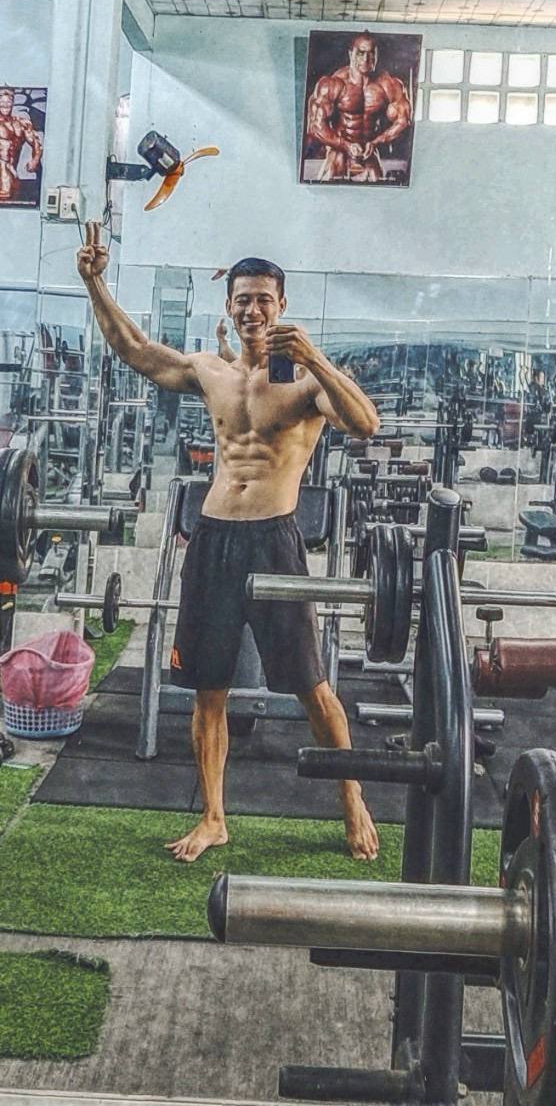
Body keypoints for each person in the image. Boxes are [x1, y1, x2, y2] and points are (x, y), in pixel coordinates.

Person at [77, 224, 381, 863]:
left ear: (282, 305)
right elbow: (135, 349)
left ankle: (352, 799)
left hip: (275, 540)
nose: (253, 310)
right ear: (229, 305)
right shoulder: (210, 370)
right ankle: (214, 817)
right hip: (213, 537)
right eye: (243, 299)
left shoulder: (306, 382)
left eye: (264, 299)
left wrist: (315, 357)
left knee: (311, 685)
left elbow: (365, 424)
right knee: (207, 687)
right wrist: (95, 281)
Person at [306, 31, 412, 182]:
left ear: (377, 55)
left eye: (371, 53)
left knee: (378, 186)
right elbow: (315, 126)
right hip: (339, 149)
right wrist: (345, 145)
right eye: (361, 53)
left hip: (369, 149)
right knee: (332, 174)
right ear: (351, 54)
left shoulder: (389, 85)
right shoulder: (333, 84)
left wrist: (377, 142)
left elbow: (404, 121)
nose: (366, 59)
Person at [0, 87, 43, 203]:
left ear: (13, 103)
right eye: (2, 102)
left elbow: (36, 144)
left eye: (8, 101)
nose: (5, 105)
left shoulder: (21, 123)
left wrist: (35, 160)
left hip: (12, 173)